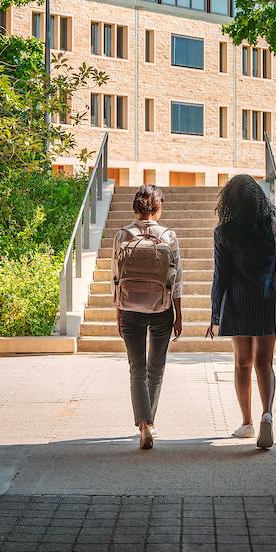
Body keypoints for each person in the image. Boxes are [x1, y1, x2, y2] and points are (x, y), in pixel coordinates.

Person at [206, 174, 276, 450]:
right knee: (264, 362)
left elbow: (221, 276)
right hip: (266, 301)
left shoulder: (224, 232)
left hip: (238, 303)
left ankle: (246, 422)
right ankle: (268, 413)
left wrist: (215, 314)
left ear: (229, 202)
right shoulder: (275, 227)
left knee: (242, 362)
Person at [113, 184, 183, 450]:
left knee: (136, 368)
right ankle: (149, 423)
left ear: (134, 207)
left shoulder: (122, 235)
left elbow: (115, 278)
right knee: (156, 367)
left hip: (130, 307)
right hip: (162, 307)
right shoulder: (168, 235)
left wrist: (118, 311)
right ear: (158, 208)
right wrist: (178, 313)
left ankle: (143, 424)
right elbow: (177, 279)